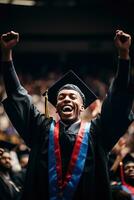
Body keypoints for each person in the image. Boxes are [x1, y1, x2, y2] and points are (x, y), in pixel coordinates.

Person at [0, 29, 133, 200]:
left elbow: (117, 102)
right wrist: (6, 55)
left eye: (72, 97)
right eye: (62, 97)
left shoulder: (97, 133)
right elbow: (18, 97)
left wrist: (123, 55)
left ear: (82, 106)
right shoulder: (41, 130)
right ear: (56, 107)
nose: (66, 99)